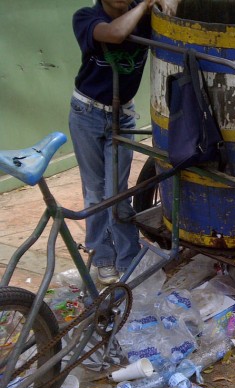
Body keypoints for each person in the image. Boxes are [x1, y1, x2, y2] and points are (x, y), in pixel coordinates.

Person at [69, 0, 156, 286]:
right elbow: (116, 34)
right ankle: (103, 258)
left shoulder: (146, 16)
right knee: (95, 193)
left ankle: (128, 258)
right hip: (88, 113)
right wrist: (145, 5)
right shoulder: (86, 17)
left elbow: (176, 17)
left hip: (123, 116)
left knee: (116, 193)